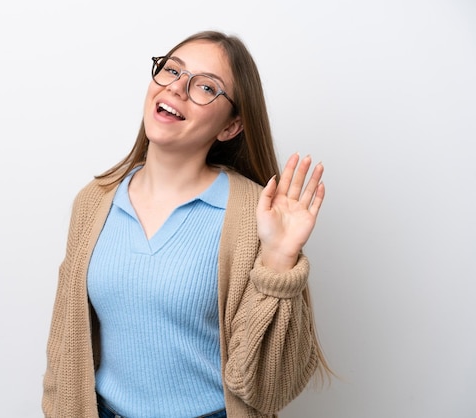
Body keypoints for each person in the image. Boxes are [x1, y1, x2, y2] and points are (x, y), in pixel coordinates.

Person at [42, 30, 332, 418]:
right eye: (171, 70)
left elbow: (270, 389)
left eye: (206, 87)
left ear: (230, 127)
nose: (177, 88)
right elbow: (65, 343)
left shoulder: (254, 214)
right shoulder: (95, 200)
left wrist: (279, 259)